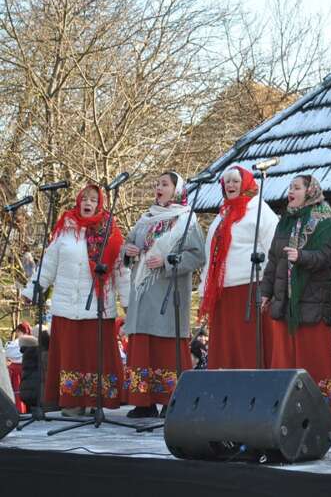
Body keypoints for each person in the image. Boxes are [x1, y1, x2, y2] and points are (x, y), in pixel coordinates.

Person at [21, 184, 130, 416]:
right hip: (67, 307)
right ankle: (72, 403)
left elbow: (121, 271)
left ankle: (94, 402)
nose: (88, 203)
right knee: (70, 358)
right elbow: (48, 265)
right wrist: (32, 291)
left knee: (93, 359)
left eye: (93, 199)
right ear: (78, 202)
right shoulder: (65, 230)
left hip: (98, 309)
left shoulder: (110, 232)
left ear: (99, 204)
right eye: (84, 199)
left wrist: (128, 302)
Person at [260, 175, 331, 419]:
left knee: (313, 359)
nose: (290, 192)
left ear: (310, 191)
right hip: (284, 301)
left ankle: (321, 410)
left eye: (296, 187)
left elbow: (327, 257)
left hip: (312, 301)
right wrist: (265, 293)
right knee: (284, 360)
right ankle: (286, 409)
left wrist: (302, 257)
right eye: (290, 188)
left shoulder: (325, 219)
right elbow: (274, 260)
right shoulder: (285, 221)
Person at [123, 171, 205, 418]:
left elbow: (198, 255)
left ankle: (171, 401)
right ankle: (143, 402)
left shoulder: (186, 220)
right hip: (142, 294)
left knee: (167, 347)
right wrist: (129, 251)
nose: (158, 187)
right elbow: (127, 248)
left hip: (168, 296)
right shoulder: (145, 218)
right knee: (142, 346)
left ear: (177, 190)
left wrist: (168, 261)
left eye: (164, 184)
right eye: (157, 184)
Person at [198, 165, 278, 369]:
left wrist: (271, 288)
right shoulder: (222, 215)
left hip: (251, 289)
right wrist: (204, 289)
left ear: (246, 183)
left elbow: (274, 250)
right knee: (227, 346)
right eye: (227, 181)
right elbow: (211, 255)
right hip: (223, 292)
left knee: (248, 345)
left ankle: (253, 384)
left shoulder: (260, 211)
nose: (230, 185)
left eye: (235, 181)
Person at [4, 322, 32, 413]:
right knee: (25, 390)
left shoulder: (16, 343)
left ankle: (19, 410)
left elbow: (8, 353)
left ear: (20, 331)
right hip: (26, 369)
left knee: (17, 391)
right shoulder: (31, 341)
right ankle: (24, 409)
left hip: (16, 370)